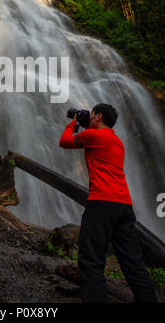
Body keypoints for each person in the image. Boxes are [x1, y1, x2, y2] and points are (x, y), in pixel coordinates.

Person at [59, 103, 157, 303]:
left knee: (91, 262)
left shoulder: (93, 136)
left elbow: (65, 142)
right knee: (133, 263)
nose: (90, 117)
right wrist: (86, 125)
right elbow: (95, 145)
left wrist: (74, 123)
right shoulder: (117, 141)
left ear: (99, 116)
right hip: (124, 205)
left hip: (101, 204)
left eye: (92, 114)